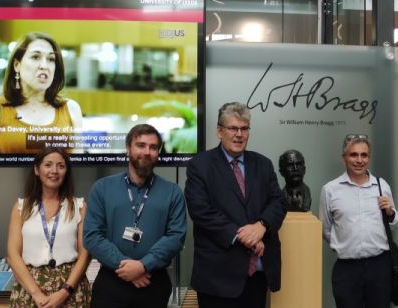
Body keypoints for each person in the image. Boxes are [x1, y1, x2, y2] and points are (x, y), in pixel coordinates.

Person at [185, 102, 286, 308]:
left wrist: (262, 226)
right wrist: (246, 237)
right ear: (219, 131)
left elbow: (278, 202)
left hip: (257, 275)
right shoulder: (200, 165)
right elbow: (201, 211)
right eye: (233, 128)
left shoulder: (263, 164)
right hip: (217, 279)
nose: (239, 134)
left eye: (244, 128)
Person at [83, 124, 187, 307]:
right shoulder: (102, 188)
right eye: (141, 145)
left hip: (153, 283)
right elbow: (92, 236)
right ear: (128, 148)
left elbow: (176, 237)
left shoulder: (173, 192)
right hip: (111, 283)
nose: (147, 152)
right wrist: (126, 266)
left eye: (153, 147)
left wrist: (142, 266)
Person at [319, 134, 398, 308]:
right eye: (353, 155)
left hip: (379, 266)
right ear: (344, 158)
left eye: (364, 155)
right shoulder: (330, 190)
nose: (359, 160)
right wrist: (342, 244)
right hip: (347, 269)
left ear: (369, 158)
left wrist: (390, 212)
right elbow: (325, 228)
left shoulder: (381, 185)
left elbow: (394, 225)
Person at [7, 147, 91, 307]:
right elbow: (13, 254)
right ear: (37, 170)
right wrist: (36, 294)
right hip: (29, 287)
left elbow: (85, 254)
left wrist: (65, 291)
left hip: (70, 287)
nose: (54, 171)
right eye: (48, 165)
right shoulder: (21, 207)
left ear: (66, 171)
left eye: (61, 165)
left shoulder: (79, 206)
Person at [0, 32, 83, 154]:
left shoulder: (71, 109)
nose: (44, 66)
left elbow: (79, 169)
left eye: (51, 59)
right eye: (35, 57)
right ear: (17, 65)